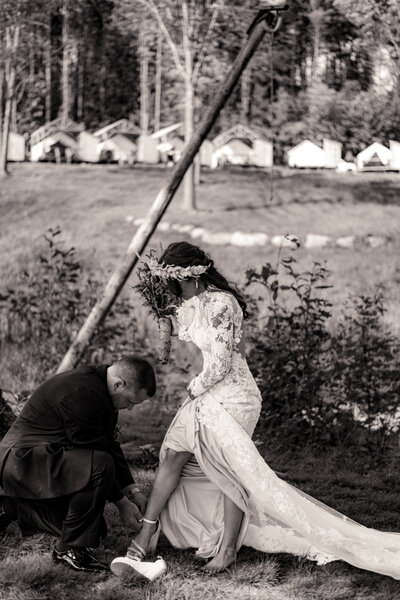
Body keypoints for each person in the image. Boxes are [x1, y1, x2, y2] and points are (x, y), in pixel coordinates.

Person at [111, 242, 400, 581]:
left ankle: (228, 548)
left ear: (189, 276)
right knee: (173, 453)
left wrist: (192, 389)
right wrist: (166, 321)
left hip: (232, 396)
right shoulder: (196, 302)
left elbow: (219, 365)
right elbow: (185, 328)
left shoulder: (223, 303)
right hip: (209, 393)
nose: (173, 289)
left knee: (229, 472)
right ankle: (147, 534)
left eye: (173, 282)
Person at [0, 355, 156, 572]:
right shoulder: (84, 392)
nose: (129, 408)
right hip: (22, 461)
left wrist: (133, 492)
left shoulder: (104, 389)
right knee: (99, 464)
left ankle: (9, 508)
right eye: (131, 401)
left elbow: (109, 444)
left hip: (44, 459)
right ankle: (69, 550)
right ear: (119, 384)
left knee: (94, 530)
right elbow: (95, 453)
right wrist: (122, 503)